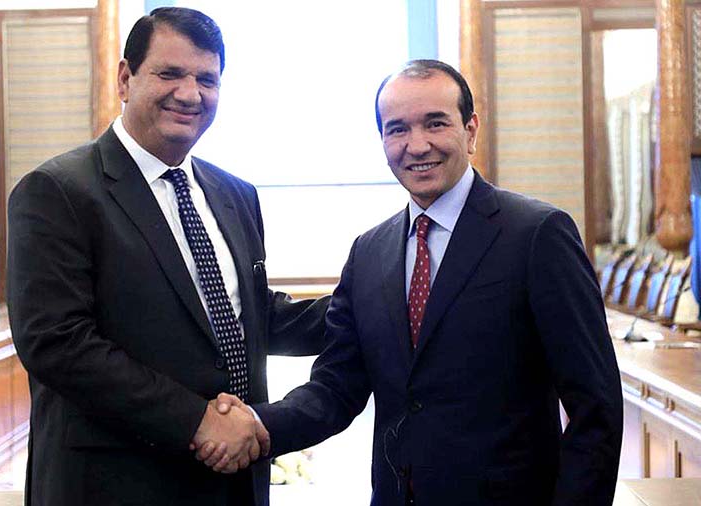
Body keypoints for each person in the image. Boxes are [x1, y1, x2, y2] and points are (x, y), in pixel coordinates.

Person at [203, 60, 623, 505]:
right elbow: (335, 388)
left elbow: (595, 408)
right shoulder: (369, 251)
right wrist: (258, 425)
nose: (416, 145)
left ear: (471, 130)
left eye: (435, 123)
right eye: (397, 129)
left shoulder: (538, 234)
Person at [7, 7, 328, 506]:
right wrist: (194, 420)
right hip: (116, 484)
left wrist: (374, 300)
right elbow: (57, 342)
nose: (190, 93)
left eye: (207, 79)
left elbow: (250, 316)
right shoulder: (57, 191)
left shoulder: (234, 194)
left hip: (232, 482)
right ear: (125, 78)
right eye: (169, 73)